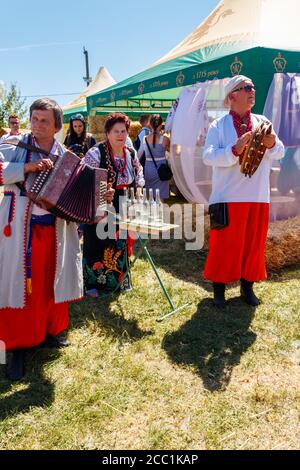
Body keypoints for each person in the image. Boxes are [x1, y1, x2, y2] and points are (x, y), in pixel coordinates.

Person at [0, 98, 114, 381]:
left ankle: (51, 331)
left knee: (53, 281)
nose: (37, 126)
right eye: (34, 119)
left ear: (57, 126)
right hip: (20, 229)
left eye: (44, 121)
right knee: (22, 286)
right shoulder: (14, 146)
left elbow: (87, 199)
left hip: (55, 230)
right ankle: (17, 348)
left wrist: (102, 199)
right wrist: (26, 168)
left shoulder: (67, 157)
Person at [203, 75, 284, 308]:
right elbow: (208, 155)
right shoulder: (218, 125)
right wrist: (233, 149)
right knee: (224, 245)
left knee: (253, 246)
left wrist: (271, 144)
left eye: (253, 87)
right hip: (227, 196)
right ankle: (219, 291)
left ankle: (247, 288)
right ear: (231, 96)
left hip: (258, 195)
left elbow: (280, 151)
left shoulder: (262, 121)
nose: (252, 91)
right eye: (246, 88)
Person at [82, 112, 145, 297]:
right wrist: (101, 194)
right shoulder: (96, 152)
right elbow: (84, 178)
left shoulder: (130, 153)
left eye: (123, 131)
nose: (120, 135)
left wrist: (139, 189)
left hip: (123, 202)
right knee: (96, 241)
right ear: (107, 133)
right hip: (100, 203)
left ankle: (118, 281)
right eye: (116, 131)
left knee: (119, 243)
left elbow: (138, 172)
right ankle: (92, 284)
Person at [137, 114, 170, 201]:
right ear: (161, 125)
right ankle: (160, 213)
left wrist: (134, 164)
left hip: (149, 169)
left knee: (149, 196)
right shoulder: (165, 139)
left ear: (150, 124)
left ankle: (150, 213)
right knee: (161, 196)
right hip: (161, 169)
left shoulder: (145, 138)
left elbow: (139, 154)